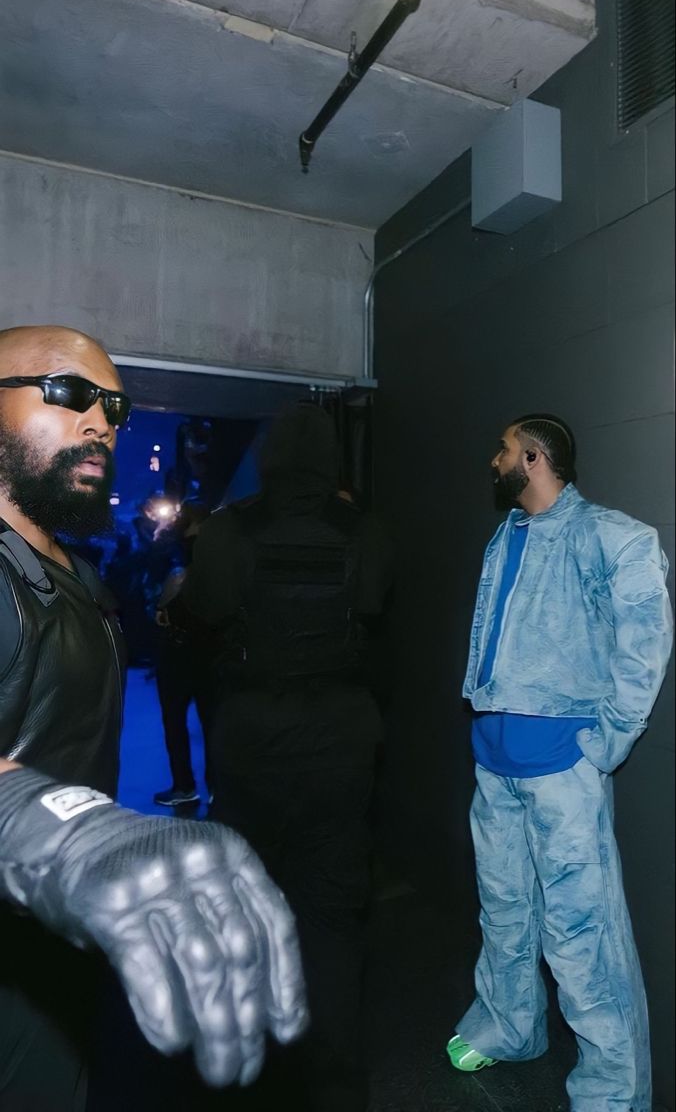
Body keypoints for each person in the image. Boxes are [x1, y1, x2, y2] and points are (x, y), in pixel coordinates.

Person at [0, 325, 306, 1112]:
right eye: (68, 391)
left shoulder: (74, 568)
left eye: (114, 405)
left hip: (55, 949)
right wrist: (58, 827)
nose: (100, 419)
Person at [447, 414, 673, 1112]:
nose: (495, 461)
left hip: (562, 771)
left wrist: (609, 741)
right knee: (506, 913)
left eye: (506, 450)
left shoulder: (615, 537)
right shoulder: (504, 535)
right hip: (495, 763)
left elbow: (646, 644)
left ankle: (613, 1089)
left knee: (582, 932)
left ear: (535, 457)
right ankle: (510, 1027)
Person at [171, 403, 393, 1112]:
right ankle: (337, 1088)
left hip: (253, 743)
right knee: (330, 916)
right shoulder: (366, 529)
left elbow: (203, 613)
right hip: (340, 741)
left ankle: (253, 1078)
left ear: (270, 458)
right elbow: (376, 605)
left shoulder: (232, 528)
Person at [152, 500, 213, 807]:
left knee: (175, 721)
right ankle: (217, 786)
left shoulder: (178, 550)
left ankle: (184, 786)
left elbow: (167, 591)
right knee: (212, 719)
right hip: (211, 646)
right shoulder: (219, 549)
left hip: (177, 647)